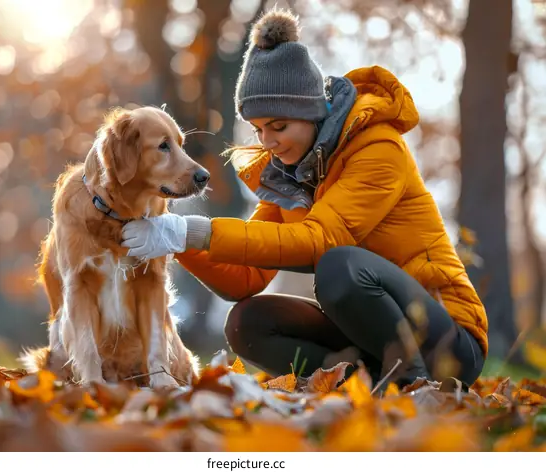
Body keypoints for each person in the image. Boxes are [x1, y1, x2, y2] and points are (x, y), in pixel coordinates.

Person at [121, 8, 487, 388]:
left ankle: (416, 387)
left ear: (312, 113)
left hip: (447, 342)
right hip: (369, 339)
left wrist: (191, 231)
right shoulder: (288, 177)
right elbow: (244, 277)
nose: (268, 142)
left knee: (338, 266)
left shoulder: (378, 148)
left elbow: (320, 239)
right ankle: (360, 388)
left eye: (279, 126)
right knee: (248, 322)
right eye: (259, 129)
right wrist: (171, 236)